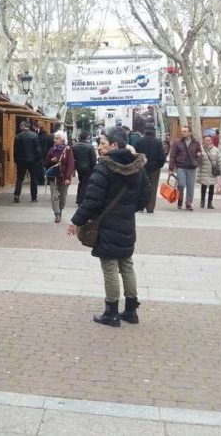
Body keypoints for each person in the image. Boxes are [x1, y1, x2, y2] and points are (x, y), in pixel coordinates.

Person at [67, 126, 150, 326]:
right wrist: (129, 209)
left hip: (106, 224)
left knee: (110, 266)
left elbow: (92, 200)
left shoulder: (104, 167)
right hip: (127, 224)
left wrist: (75, 221)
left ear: (114, 144)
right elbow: (145, 196)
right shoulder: (138, 166)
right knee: (126, 264)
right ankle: (131, 310)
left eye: (102, 143)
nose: (99, 147)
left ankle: (111, 312)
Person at [169, 126, 202, 210]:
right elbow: (172, 156)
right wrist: (171, 169)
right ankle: (180, 200)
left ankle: (188, 203)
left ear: (190, 133)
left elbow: (199, 155)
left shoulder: (196, 143)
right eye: (182, 131)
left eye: (185, 131)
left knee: (190, 186)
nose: (182, 133)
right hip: (181, 167)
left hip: (192, 168)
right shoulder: (177, 142)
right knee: (181, 185)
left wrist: (196, 162)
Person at [135, 124, 166, 213]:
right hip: (155, 169)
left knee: (141, 186)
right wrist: (159, 165)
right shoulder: (158, 142)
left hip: (142, 167)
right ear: (154, 131)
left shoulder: (139, 141)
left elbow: (136, 155)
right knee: (153, 187)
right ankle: (150, 207)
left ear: (145, 130)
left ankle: (140, 206)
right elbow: (162, 156)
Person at [44, 130, 74, 223]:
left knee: (63, 197)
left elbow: (70, 164)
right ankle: (57, 214)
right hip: (53, 177)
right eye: (55, 138)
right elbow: (46, 163)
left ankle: (60, 210)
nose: (55, 140)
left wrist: (68, 178)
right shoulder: (51, 150)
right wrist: (51, 161)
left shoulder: (68, 150)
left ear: (63, 139)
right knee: (54, 196)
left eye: (57, 138)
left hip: (64, 176)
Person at [13, 121, 41, 203]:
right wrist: (38, 160)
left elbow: (15, 150)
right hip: (32, 161)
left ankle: (17, 195)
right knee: (33, 179)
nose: (19, 127)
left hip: (21, 161)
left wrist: (16, 160)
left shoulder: (18, 136)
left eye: (20, 125)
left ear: (23, 126)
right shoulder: (34, 136)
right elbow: (38, 150)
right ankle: (34, 197)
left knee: (19, 178)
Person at [197, 134, 221, 209]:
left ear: (211, 141)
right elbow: (197, 160)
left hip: (212, 171)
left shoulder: (216, 149)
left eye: (209, 140)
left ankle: (210, 203)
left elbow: (220, 160)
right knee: (203, 187)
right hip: (203, 171)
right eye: (206, 140)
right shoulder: (200, 149)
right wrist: (199, 156)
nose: (207, 142)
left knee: (211, 187)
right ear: (203, 141)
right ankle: (202, 202)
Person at [72, 130, 97, 205]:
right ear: (87, 137)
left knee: (81, 182)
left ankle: (79, 199)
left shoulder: (75, 146)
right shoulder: (90, 146)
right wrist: (93, 168)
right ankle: (81, 201)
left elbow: (73, 158)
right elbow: (93, 159)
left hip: (79, 168)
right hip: (88, 168)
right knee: (85, 184)